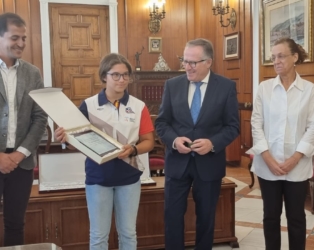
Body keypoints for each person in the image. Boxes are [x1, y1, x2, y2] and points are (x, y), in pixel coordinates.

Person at [55, 53, 154, 250]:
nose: (122, 80)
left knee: (128, 233)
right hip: (98, 177)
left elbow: (149, 142)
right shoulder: (88, 105)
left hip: (129, 175)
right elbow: (78, 142)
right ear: (104, 77)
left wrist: (133, 149)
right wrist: (65, 139)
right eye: (115, 75)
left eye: (126, 75)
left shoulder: (139, 106)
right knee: (99, 236)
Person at [155, 38, 240, 250]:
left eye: (193, 62)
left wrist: (212, 143)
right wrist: (174, 140)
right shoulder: (172, 85)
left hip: (209, 164)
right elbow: (162, 122)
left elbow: (232, 126)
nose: (187, 66)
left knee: (206, 218)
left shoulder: (226, 87)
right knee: (172, 217)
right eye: (185, 61)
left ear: (208, 62)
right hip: (177, 163)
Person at [246, 37, 314, 250]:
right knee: (270, 216)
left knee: (296, 217)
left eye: (281, 56)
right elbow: (256, 124)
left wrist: (295, 158)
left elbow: (313, 127)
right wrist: (267, 158)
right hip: (268, 165)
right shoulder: (264, 88)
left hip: (297, 166)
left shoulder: (309, 89)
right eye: (273, 57)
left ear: (295, 57)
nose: (276, 61)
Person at [0, 13, 48, 246]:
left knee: (15, 224)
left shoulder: (33, 73)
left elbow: (40, 117)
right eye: (15, 38)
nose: (21, 44)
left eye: (24, 38)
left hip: (22, 162)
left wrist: (19, 154)